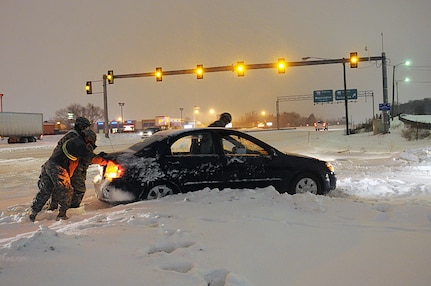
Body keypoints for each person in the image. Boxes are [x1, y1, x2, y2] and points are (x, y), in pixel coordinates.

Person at [29, 130, 108, 221]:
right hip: (58, 168)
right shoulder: (79, 144)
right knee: (67, 190)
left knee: (45, 190)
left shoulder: (73, 141)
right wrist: (105, 161)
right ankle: (62, 215)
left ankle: (33, 212)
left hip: (48, 165)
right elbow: (90, 157)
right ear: (88, 138)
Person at [47, 117, 91, 210]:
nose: (86, 129)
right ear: (80, 126)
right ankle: (72, 209)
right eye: (85, 127)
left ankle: (54, 205)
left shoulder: (72, 135)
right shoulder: (75, 137)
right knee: (79, 188)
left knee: (60, 186)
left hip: (61, 164)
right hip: (71, 165)